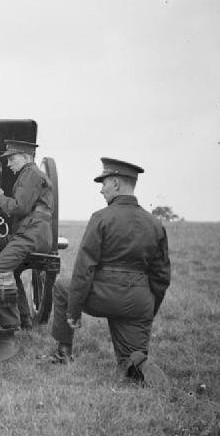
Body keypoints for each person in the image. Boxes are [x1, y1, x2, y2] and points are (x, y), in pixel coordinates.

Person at [49, 158, 171, 388]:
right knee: (132, 359)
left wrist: (73, 312)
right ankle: (146, 372)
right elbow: (162, 275)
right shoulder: (154, 223)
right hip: (138, 302)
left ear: (116, 183)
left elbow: (84, 270)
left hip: (103, 297)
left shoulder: (101, 218)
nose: (101, 189)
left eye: (104, 183)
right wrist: (148, 308)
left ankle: (63, 353)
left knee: (62, 286)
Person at [0, 140, 54, 329]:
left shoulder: (30, 173)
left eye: (12, 159)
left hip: (30, 236)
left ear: (26, 157)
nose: (8, 164)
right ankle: (24, 321)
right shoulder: (29, 174)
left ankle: (9, 324)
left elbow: (20, 207)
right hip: (32, 233)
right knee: (12, 272)